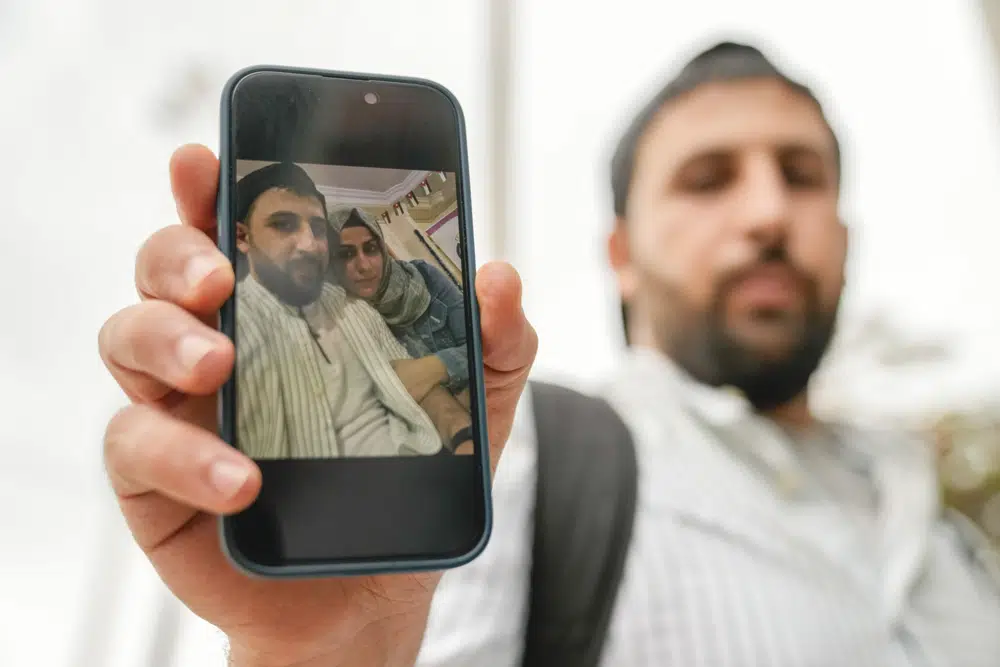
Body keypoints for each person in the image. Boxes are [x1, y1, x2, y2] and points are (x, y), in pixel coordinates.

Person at [95, 40, 1000, 667]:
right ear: (621, 254)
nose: (768, 212)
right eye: (708, 179)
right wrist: (331, 654)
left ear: (844, 233)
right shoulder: (524, 463)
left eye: (801, 176)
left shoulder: (941, 529)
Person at [234, 161, 471, 458]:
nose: (364, 265)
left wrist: (462, 431)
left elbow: (471, 353)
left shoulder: (372, 301)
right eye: (283, 224)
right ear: (242, 237)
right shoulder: (235, 326)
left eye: (318, 229)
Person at [328, 206, 470, 405]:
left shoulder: (425, 277)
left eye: (370, 249)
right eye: (346, 254)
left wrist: (433, 368)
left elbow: (479, 345)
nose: (364, 266)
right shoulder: (346, 317)